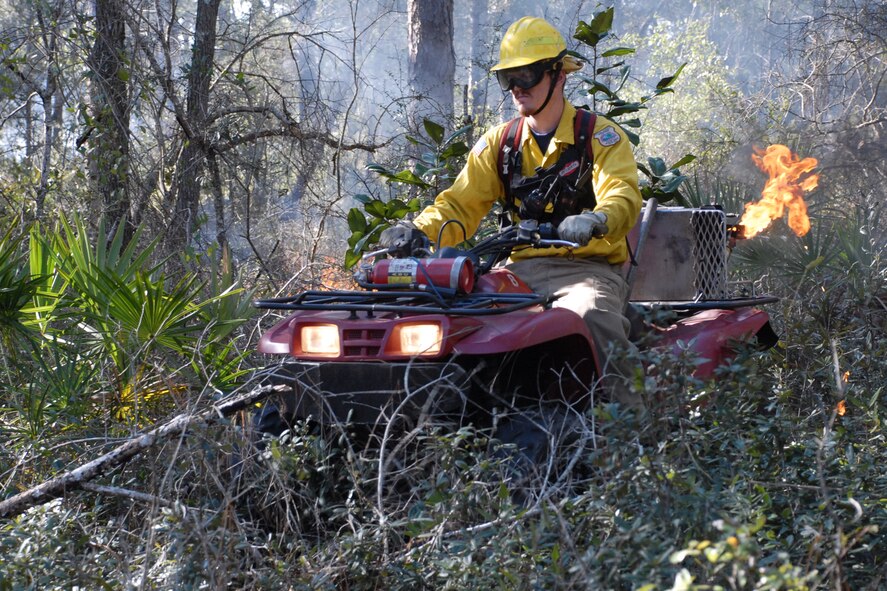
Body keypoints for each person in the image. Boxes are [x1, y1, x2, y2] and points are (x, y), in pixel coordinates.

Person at [380, 16, 643, 410]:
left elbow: (622, 194)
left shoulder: (599, 136)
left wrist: (597, 220)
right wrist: (416, 231)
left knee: (592, 316)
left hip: (586, 272)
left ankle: (635, 436)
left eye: (527, 75)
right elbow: (458, 205)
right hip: (515, 276)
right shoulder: (499, 144)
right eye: (509, 79)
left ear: (558, 75)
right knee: (449, 322)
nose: (517, 88)